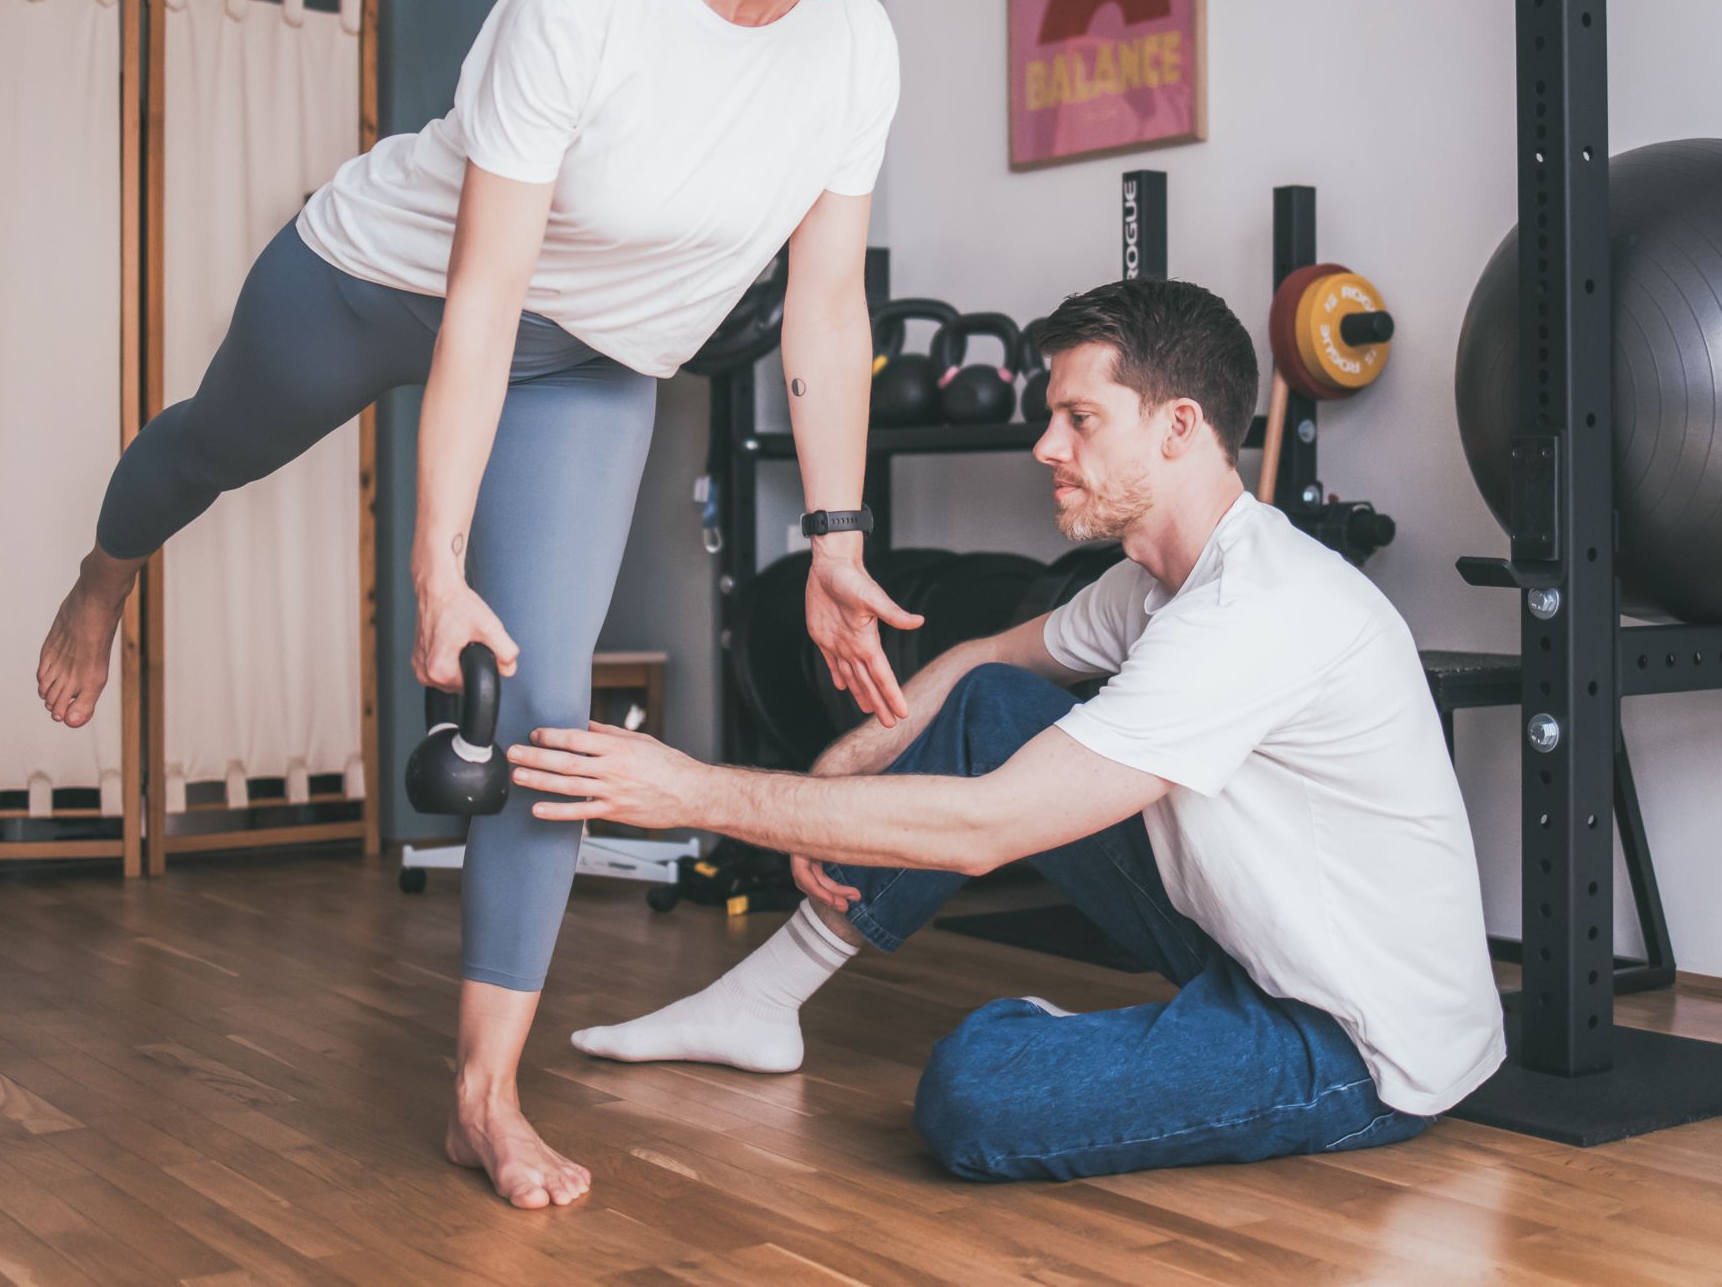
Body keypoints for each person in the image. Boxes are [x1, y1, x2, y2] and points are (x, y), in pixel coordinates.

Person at [30, 0, 979, 1210]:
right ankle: (108, 568)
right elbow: (481, 296)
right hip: (388, 280)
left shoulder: (854, 54)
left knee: (534, 715)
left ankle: (485, 1090)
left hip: (601, 355)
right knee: (214, 444)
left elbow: (827, 303)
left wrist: (836, 532)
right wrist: (435, 556)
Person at [514, 278, 1508, 1182]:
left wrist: (691, 789)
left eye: (1078, 418)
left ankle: (1118, 1050)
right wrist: (849, 760)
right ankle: (761, 1001)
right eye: (1049, 418)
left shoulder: (1255, 609)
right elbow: (984, 660)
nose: (1045, 445)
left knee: (976, 1095)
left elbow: (990, 827)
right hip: (1261, 949)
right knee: (987, 705)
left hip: (1361, 1043)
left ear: (1178, 426)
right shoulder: (1151, 584)